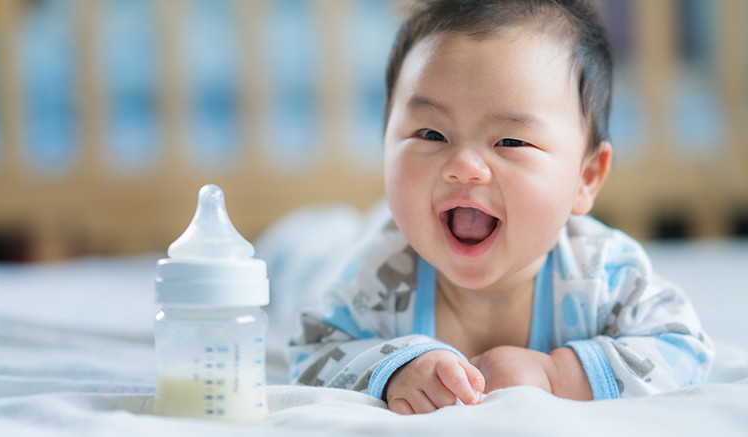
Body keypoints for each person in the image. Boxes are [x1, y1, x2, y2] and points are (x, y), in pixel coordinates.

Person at [286, 0, 714, 415]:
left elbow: (684, 346)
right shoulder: (379, 275)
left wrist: (556, 374)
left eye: (510, 141)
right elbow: (310, 351)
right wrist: (396, 368)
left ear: (585, 178)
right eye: (431, 134)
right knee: (303, 255)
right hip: (338, 245)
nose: (464, 168)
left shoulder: (600, 273)